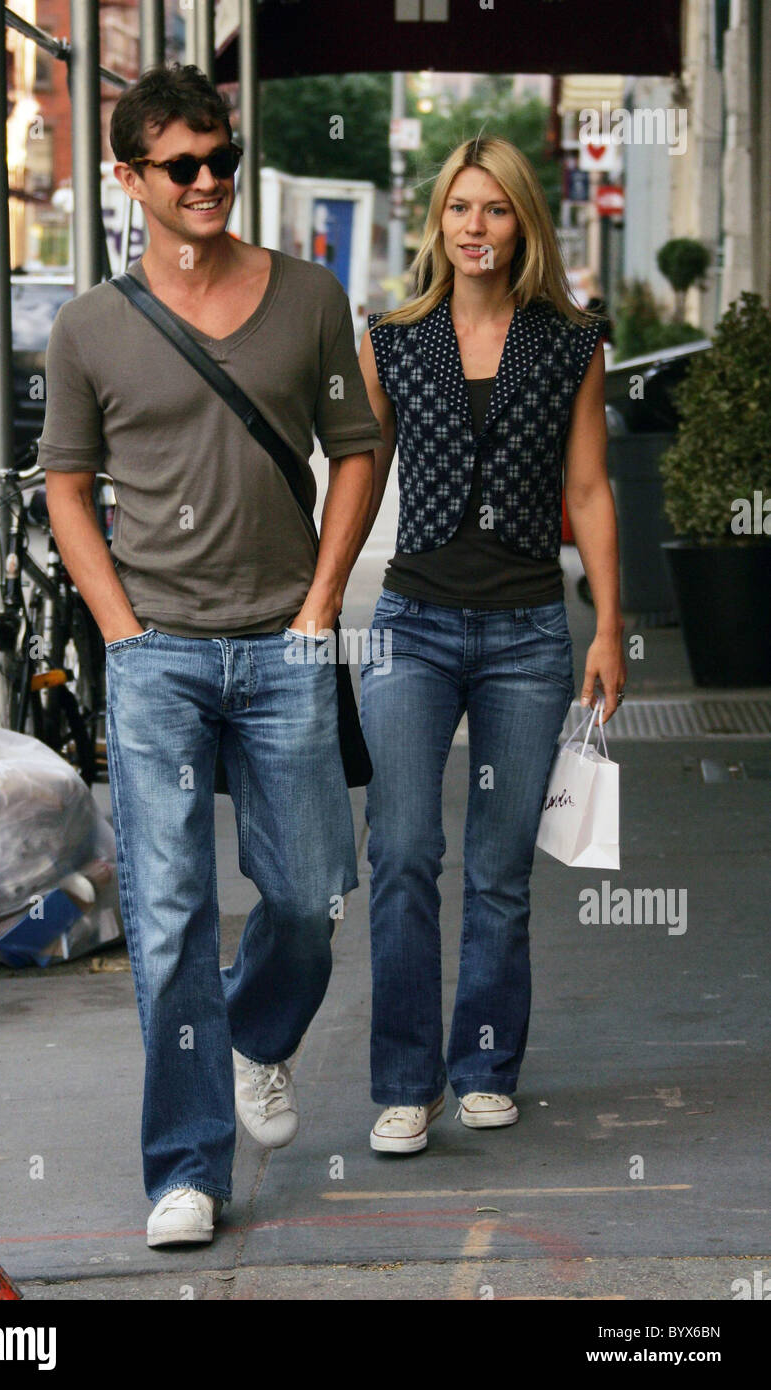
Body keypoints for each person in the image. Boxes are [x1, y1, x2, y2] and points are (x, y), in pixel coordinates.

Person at [40, 65, 381, 1245]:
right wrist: (120, 631)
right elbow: (66, 488)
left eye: (220, 158)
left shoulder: (310, 297)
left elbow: (354, 448)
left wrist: (321, 603)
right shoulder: (87, 325)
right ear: (128, 179)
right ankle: (186, 1169)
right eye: (180, 165)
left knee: (304, 896)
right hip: (159, 661)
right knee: (174, 911)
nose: (207, 182)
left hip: (285, 646)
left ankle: (256, 1034)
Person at [357, 135, 626, 1155]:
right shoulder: (390, 342)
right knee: (402, 853)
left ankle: (480, 1064)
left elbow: (591, 487)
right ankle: (401, 1081)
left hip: (525, 632)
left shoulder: (569, 343)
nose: (474, 225)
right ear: (437, 221)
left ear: (523, 223)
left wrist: (608, 621)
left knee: (501, 866)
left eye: (496, 209)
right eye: (459, 207)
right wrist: (317, 598)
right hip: (412, 627)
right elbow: (359, 479)